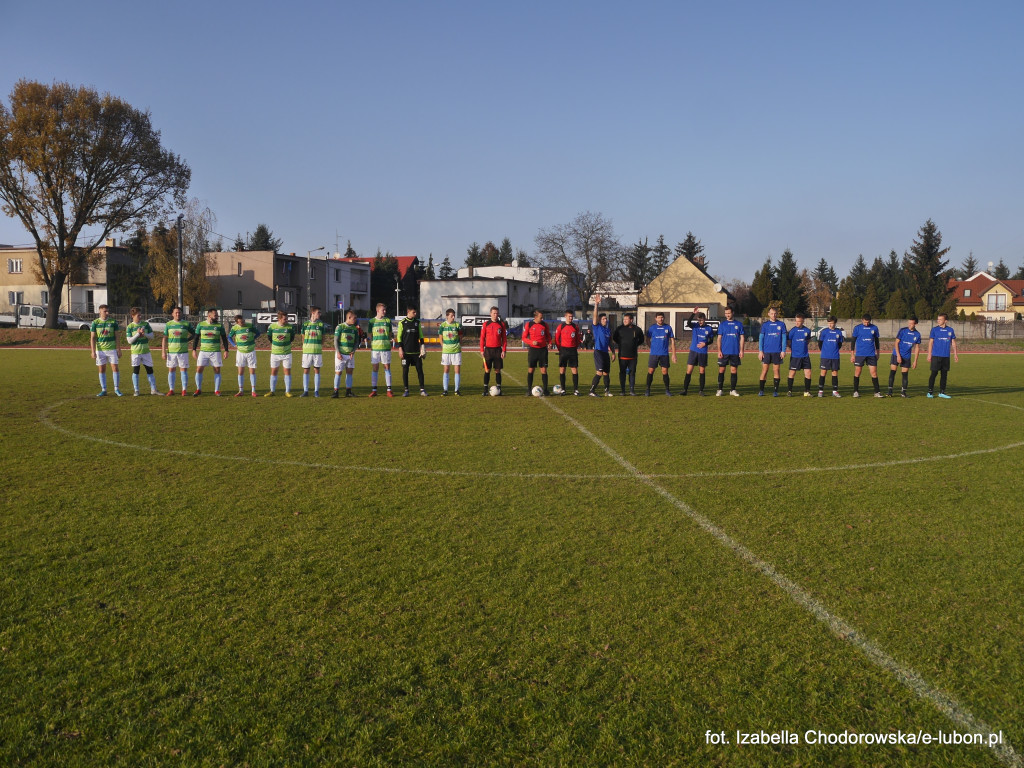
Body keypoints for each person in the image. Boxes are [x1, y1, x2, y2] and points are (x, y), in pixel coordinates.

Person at [191, 308, 230, 396]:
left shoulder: (220, 326)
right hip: (203, 351)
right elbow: (196, 338)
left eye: (217, 315)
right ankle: (198, 389)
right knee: (199, 369)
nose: (217, 317)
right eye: (215, 315)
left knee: (217, 370)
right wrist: (194, 350)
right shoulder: (200, 325)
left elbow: (224, 338)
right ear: (209, 316)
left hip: (215, 351)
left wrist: (226, 350)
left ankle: (216, 390)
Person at [125, 307, 160, 395]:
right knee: (136, 370)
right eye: (138, 315)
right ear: (132, 316)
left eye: (141, 315)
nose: (140, 317)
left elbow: (152, 336)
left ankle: (153, 390)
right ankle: (136, 390)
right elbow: (129, 341)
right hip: (135, 352)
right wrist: (138, 334)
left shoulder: (145, 324)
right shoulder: (130, 327)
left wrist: (144, 334)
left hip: (146, 351)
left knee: (150, 370)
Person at [89, 304, 122, 397]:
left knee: (115, 368)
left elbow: (117, 336)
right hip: (100, 350)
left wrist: (119, 349)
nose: (107, 313)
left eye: (108, 311)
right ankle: (104, 389)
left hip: (112, 349)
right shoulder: (95, 322)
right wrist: (93, 351)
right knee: (101, 369)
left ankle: (116, 389)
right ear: (100, 311)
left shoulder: (113, 322)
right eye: (105, 311)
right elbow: (92, 338)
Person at [162, 306, 194, 397]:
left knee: (183, 370)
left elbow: (195, 333)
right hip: (171, 352)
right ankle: (171, 389)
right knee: (171, 370)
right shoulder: (168, 324)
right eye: (176, 312)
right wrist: (163, 352)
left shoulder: (186, 324)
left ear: (181, 313)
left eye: (179, 312)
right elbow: (164, 338)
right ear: (172, 314)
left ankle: (184, 390)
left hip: (183, 352)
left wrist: (187, 340)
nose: (177, 314)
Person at [850, 313, 884, 398]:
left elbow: (877, 341)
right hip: (860, 354)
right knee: (857, 372)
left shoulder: (874, 328)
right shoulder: (857, 328)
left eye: (868, 322)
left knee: (874, 373)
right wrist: (852, 354)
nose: (866, 324)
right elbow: (853, 342)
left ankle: (877, 392)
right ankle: (855, 391)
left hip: (871, 354)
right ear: (862, 320)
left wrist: (878, 353)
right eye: (865, 322)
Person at [682, 308, 714, 396]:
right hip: (693, 351)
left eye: (702, 320)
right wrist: (693, 314)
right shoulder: (695, 326)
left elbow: (711, 340)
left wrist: (705, 343)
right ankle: (685, 390)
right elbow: (688, 323)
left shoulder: (709, 329)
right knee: (689, 370)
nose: (700, 322)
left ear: (705, 320)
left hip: (703, 352)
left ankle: (701, 390)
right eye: (699, 320)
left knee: (702, 371)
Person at [397, 305, 427, 397]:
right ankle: (406, 390)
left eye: (415, 312)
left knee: (420, 371)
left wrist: (422, 347)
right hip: (406, 353)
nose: (415, 314)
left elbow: (421, 336)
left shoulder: (417, 323)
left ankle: (422, 389)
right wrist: (400, 349)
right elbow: (399, 337)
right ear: (408, 312)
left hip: (416, 353)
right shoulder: (402, 323)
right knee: (405, 371)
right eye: (413, 312)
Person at [927, 312, 958, 399]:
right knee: (934, 373)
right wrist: (929, 354)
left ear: (946, 321)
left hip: (946, 356)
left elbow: (953, 343)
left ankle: (942, 392)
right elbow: (930, 343)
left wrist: (955, 354)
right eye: (938, 319)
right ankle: (930, 392)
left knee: (944, 374)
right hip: (936, 355)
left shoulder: (950, 330)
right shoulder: (934, 330)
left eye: (940, 319)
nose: (938, 321)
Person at [611, 314, 644, 395]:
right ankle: (623, 390)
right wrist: (622, 344)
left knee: (632, 373)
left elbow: (641, 340)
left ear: (631, 320)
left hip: (633, 356)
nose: (624, 320)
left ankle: (632, 390)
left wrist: (634, 344)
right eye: (624, 319)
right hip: (622, 355)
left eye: (626, 319)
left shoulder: (637, 329)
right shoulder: (619, 329)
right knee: (622, 372)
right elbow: (615, 338)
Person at [888, 317, 921, 397]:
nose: (909, 325)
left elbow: (917, 348)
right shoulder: (902, 330)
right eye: (908, 323)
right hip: (896, 354)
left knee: (905, 374)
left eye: (911, 323)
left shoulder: (917, 334)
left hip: (906, 356)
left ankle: (903, 393)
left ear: (915, 324)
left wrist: (915, 361)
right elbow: (896, 343)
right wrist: (898, 356)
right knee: (893, 372)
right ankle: (890, 392)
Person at [715, 306, 745, 396]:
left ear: (733, 313)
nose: (727, 315)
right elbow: (719, 338)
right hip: (724, 352)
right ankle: (720, 389)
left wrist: (741, 350)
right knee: (721, 370)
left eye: (729, 313)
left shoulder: (739, 324)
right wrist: (719, 350)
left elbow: (742, 338)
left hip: (735, 351)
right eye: (726, 313)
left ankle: (732, 390)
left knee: (734, 370)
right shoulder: (722, 325)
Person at [265, 310, 296, 397]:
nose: (286, 320)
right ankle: (272, 391)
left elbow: (292, 338)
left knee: (287, 371)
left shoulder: (290, 327)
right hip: (275, 353)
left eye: (287, 319)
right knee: (274, 371)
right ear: (279, 319)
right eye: (285, 319)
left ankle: (287, 391)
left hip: (287, 353)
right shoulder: (272, 326)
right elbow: (269, 337)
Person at [757, 306, 787, 397]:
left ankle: (775, 391)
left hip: (777, 352)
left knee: (776, 370)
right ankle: (761, 390)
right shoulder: (765, 325)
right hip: (766, 352)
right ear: (769, 314)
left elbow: (784, 338)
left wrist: (783, 350)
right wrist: (760, 351)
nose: (773, 315)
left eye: (775, 313)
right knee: (764, 370)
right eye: (772, 313)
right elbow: (761, 338)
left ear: (777, 314)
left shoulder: (781, 325)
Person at [228, 314, 259, 397]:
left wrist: (253, 338)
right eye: (241, 322)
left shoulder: (250, 326)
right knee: (240, 371)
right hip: (240, 352)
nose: (243, 323)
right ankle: (241, 390)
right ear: (237, 322)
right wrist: (234, 345)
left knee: (252, 371)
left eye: (243, 321)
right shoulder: (234, 328)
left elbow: (258, 333)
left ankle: (253, 391)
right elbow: (229, 337)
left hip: (251, 351)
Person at [521, 308, 551, 396]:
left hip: (543, 350)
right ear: (535, 317)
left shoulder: (545, 325)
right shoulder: (529, 324)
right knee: (531, 369)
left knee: (544, 370)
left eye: (542, 317)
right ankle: (529, 390)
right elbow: (524, 337)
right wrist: (531, 342)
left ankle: (545, 390)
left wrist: (549, 343)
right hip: (533, 350)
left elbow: (548, 336)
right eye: (540, 317)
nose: (542, 319)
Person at [368, 302, 395, 397]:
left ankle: (389, 389)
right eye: (383, 310)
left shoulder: (387, 320)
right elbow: (370, 335)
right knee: (375, 368)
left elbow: (391, 333)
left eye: (385, 309)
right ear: (377, 310)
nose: (385, 311)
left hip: (386, 348)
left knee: (387, 368)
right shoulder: (371, 321)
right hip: (375, 349)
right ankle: (374, 390)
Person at [589, 296, 614, 396]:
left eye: (606, 319)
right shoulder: (597, 327)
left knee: (606, 373)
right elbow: (595, 317)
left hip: (605, 353)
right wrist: (596, 304)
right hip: (598, 351)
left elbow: (610, 343)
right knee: (599, 372)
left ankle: (607, 391)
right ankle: (592, 391)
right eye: (603, 319)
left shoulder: (608, 330)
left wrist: (613, 353)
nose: (605, 320)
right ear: (600, 320)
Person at [479, 306, 507, 395]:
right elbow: (482, 338)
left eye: (497, 313)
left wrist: (504, 350)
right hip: (488, 350)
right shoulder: (486, 324)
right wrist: (481, 350)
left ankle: (499, 389)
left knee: (497, 370)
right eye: (494, 313)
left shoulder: (501, 324)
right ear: (490, 314)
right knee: (487, 370)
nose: (495, 315)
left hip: (498, 350)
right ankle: (485, 390)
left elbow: (504, 339)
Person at [333, 310, 360, 398]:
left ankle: (348, 391)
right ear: (349, 317)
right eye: (354, 318)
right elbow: (335, 341)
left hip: (350, 355)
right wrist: (338, 352)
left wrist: (353, 351)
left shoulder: (354, 329)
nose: (355, 320)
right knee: (338, 372)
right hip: (341, 354)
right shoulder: (340, 327)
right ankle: (335, 391)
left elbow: (356, 342)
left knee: (349, 372)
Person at [299, 306, 325, 397]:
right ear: (312, 313)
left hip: (317, 351)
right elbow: (302, 337)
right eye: (318, 312)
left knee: (317, 370)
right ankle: (305, 391)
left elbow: (323, 338)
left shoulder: (321, 324)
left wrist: (318, 346)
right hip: (307, 352)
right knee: (306, 370)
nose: (320, 314)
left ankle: (316, 391)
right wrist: (306, 346)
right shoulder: (305, 324)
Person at [554, 309, 581, 395]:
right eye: (569, 316)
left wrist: (575, 347)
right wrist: (560, 349)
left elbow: (577, 339)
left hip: (572, 350)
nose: (571, 318)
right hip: (563, 350)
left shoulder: (575, 327)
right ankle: (563, 389)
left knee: (574, 369)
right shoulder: (561, 326)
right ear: (565, 316)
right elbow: (557, 339)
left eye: (572, 316)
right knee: (562, 369)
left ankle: (576, 390)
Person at [785, 313, 813, 396]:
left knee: (808, 373)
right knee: (792, 373)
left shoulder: (807, 331)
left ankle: (807, 391)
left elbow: (808, 340)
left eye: (799, 321)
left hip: (805, 356)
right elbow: (788, 342)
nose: (797, 323)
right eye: (796, 321)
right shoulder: (792, 331)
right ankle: (789, 391)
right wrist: (793, 348)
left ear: (803, 321)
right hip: (795, 356)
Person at [817, 316, 844, 397]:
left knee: (834, 373)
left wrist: (834, 350)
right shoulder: (824, 332)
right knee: (823, 372)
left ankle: (835, 391)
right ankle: (820, 391)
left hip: (835, 356)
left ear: (835, 323)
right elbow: (820, 343)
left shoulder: (838, 332)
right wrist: (824, 351)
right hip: (825, 356)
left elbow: (839, 344)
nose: (830, 325)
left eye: (832, 323)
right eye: (829, 323)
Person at [438, 308, 463, 396]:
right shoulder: (442, 325)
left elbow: (460, 336)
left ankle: (457, 390)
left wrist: (458, 344)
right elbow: (440, 337)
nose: (453, 317)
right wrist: (443, 346)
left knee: (457, 370)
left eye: (454, 316)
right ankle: (445, 390)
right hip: (446, 351)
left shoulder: (457, 325)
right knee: (446, 369)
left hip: (456, 351)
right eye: (451, 316)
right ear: (447, 316)